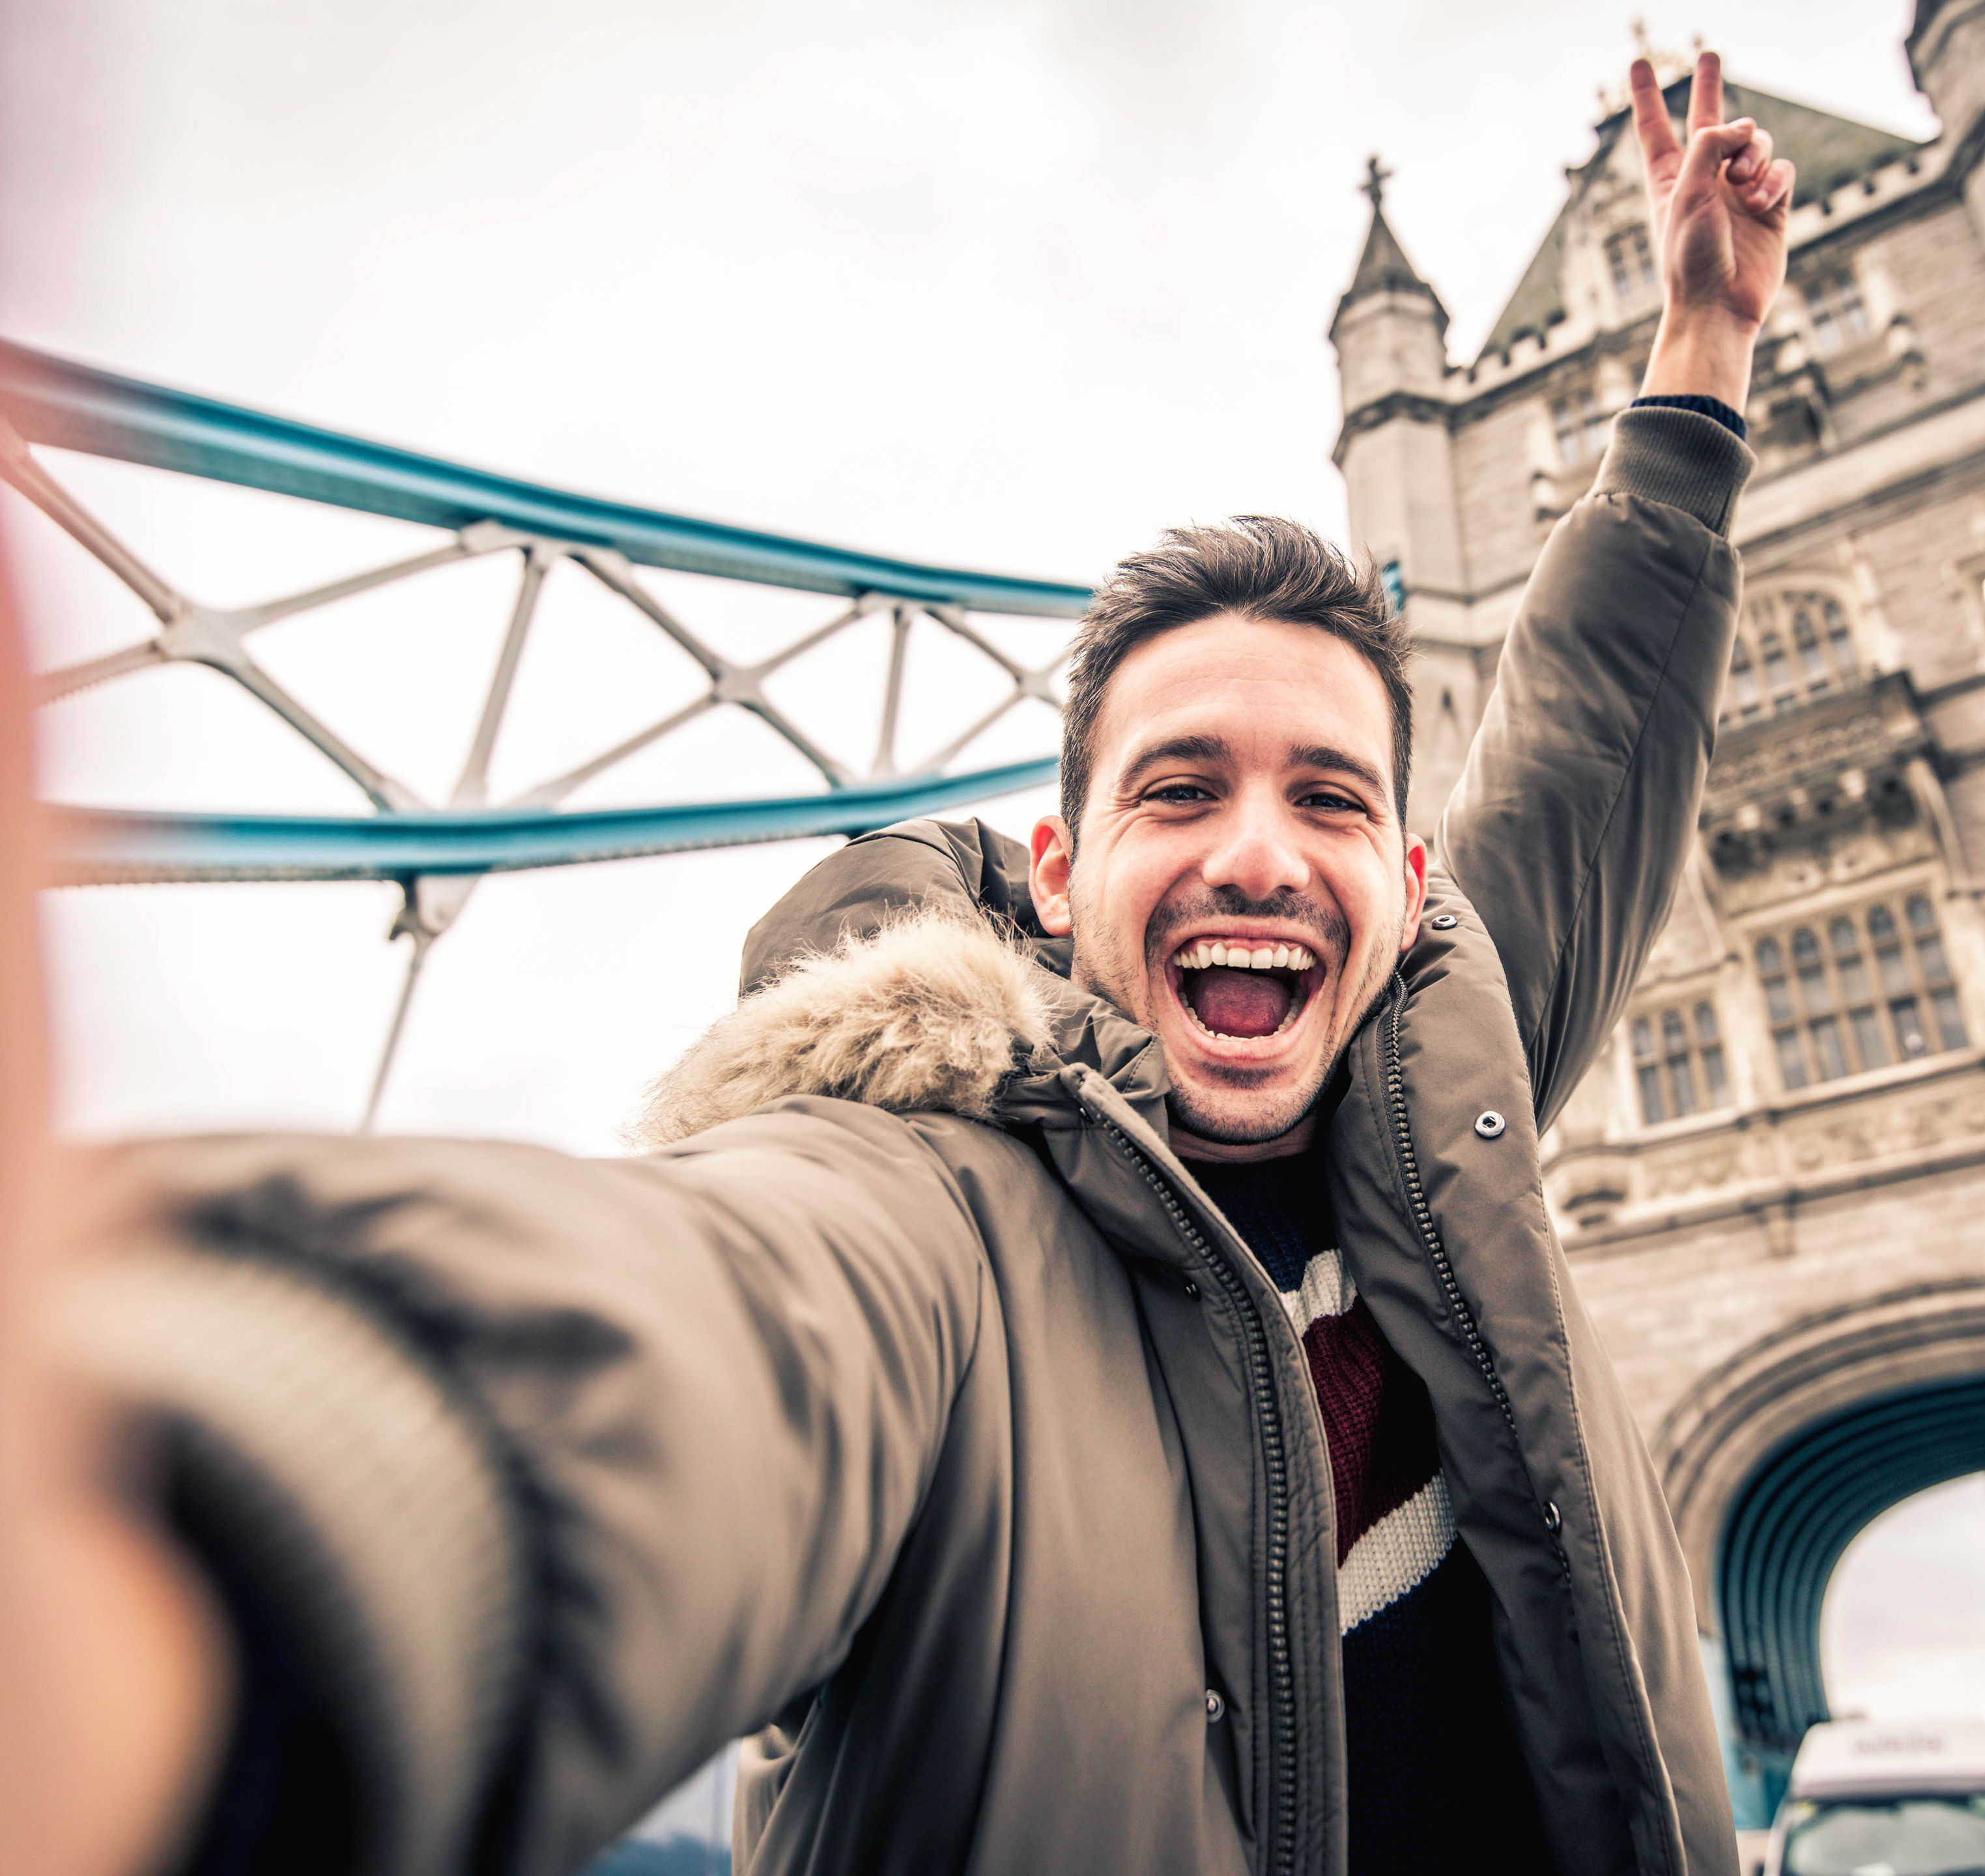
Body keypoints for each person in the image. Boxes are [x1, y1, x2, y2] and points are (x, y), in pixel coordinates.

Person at [8, 54, 1793, 1876]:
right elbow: (714, 1345)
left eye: (1329, 797)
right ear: (1058, 868)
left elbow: (1587, 753)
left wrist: (1703, 359)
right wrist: (201, 1524)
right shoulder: (937, 1206)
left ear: (1409, 888)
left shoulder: (1454, 1136)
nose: (1260, 850)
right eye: (1180, 788)